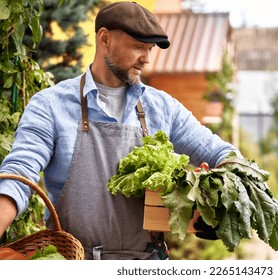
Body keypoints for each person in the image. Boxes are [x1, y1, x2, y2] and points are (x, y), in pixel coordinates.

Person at [0, 1, 239, 260]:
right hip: (76, 265)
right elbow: (18, 175)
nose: (146, 58)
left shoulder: (162, 107)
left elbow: (222, 153)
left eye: (149, 49)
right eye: (138, 46)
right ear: (105, 39)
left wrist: (223, 203)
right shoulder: (50, 105)